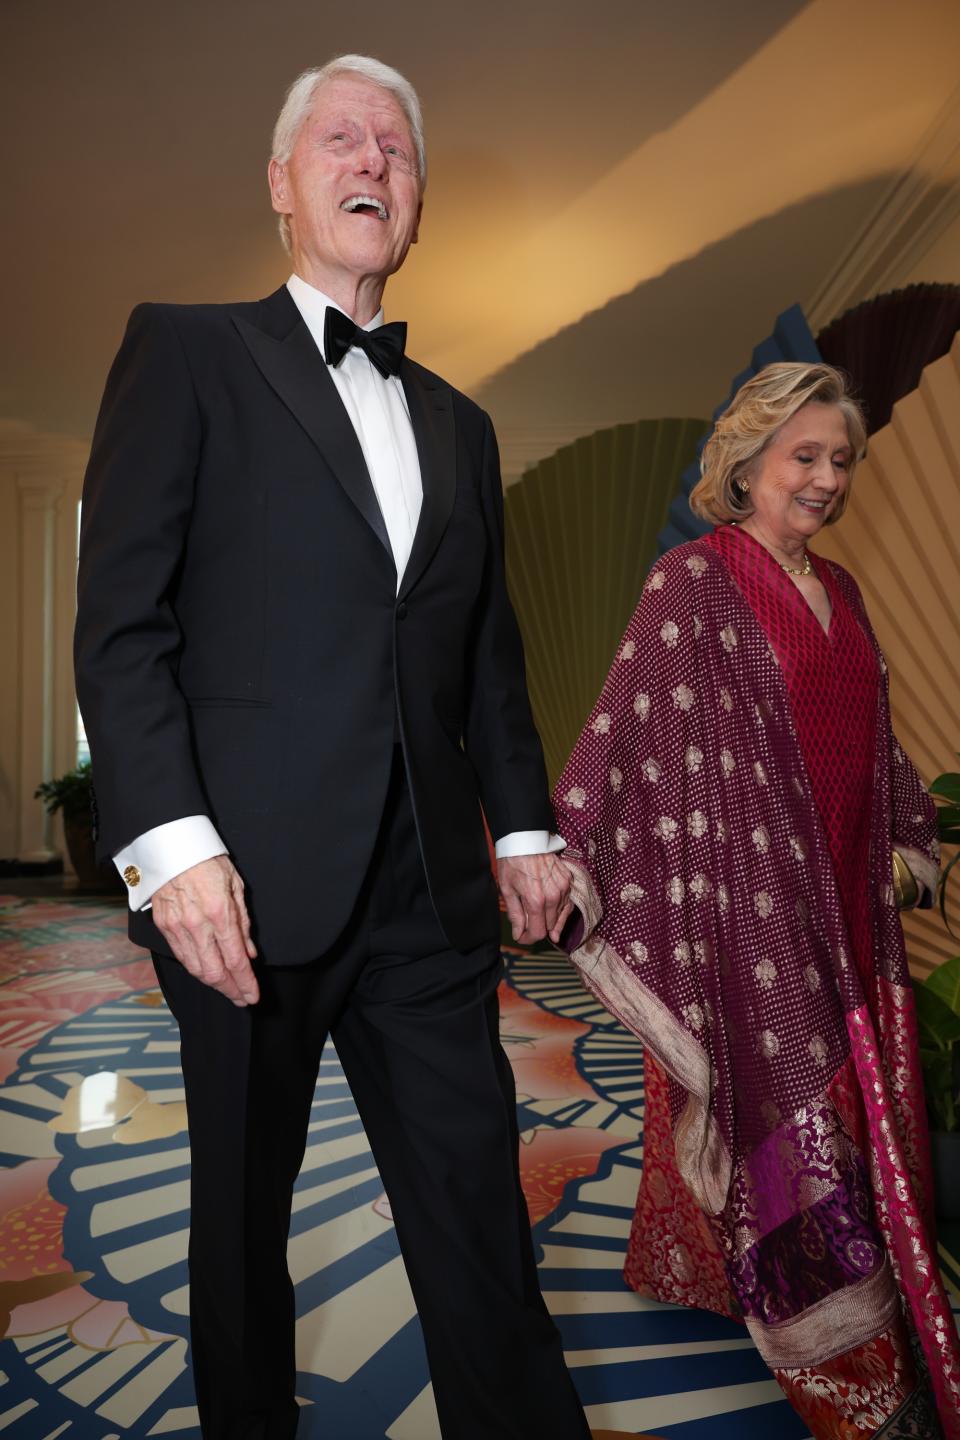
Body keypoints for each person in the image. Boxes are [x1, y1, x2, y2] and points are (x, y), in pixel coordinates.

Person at [74, 54, 591, 1440]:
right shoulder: (183, 350)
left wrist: (528, 827)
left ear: (416, 210)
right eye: (343, 140)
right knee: (241, 1229)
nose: (373, 162)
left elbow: (487, 657)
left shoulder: (464, 430)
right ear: (284, 184)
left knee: (481, 1208)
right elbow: (122, 624)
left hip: (428, 895)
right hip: (243, 891)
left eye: (398, 153)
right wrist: (172, 849)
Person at [553, 362, 960, 1437]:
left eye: (842, 460)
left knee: (841, 1136)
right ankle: (857, 1386)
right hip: (752, 917)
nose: (827, 480)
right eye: (805, 457)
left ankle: (749, 1283)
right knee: (790, 1138)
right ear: (746, 463)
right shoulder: (691, 581)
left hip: (849, 912)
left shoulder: (850, 592)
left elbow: (878, 742)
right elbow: (623, 732)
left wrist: (914, 836)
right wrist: (563, 852)